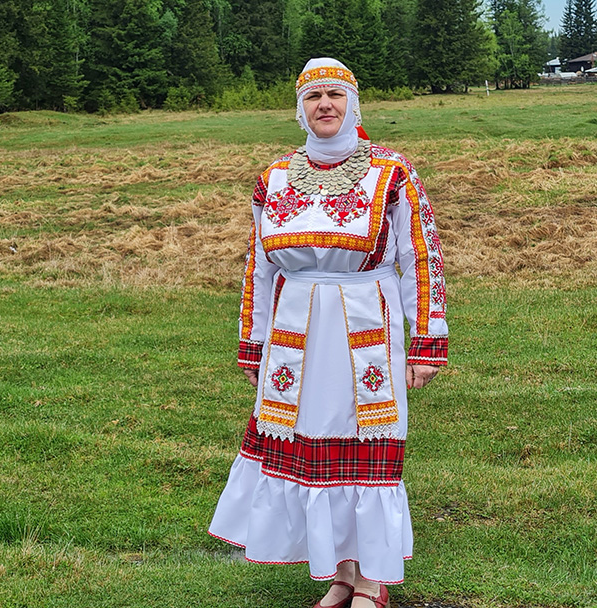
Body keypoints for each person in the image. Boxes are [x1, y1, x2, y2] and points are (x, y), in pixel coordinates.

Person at [208, 57, 448, 608]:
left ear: (353, 104)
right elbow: (259, 268)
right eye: (313, 97)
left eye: (335, 95)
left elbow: (422, 258)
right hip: (295, 331)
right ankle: (341, 574)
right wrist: (254, 342)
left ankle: (371, 581)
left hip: (365, 325)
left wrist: (427, 341)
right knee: (311, 447)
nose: (325, 105)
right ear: (300, 110)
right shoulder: (273, 178)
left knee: (364, 443)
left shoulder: (390, 172)